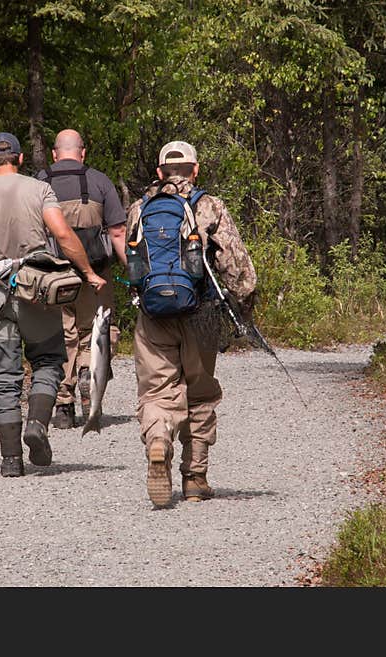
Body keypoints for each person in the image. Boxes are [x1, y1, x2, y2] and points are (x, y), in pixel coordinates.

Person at [0, 132, 107, 477]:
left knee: (3, 377)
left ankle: (10, 460)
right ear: (20, 159)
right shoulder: (39, 190)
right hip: (35, 289)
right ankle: (36, 424)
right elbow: (63, 235)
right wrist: (88, 272)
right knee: (49, 360)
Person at [125, 140, 257, 507]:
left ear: (159, 172)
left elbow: (132, 263)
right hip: (200, 313)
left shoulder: (139, 209)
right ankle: (196, 478)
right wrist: (243, 309)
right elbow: (239, 268)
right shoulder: (209, 206)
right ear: (195, 170)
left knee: (156, 391)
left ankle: (158, 440)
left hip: (153, 315)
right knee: (199, 392)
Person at [36, 129, 128, 429]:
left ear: (54, 153)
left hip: (54, 277)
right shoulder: (100, 181)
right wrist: (134, 270)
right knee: (96, 332)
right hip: (95, 274)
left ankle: (63, 405)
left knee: (62, 335)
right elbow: (117, 232)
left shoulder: (40, 181)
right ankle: (89, 371)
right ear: (83, 152)